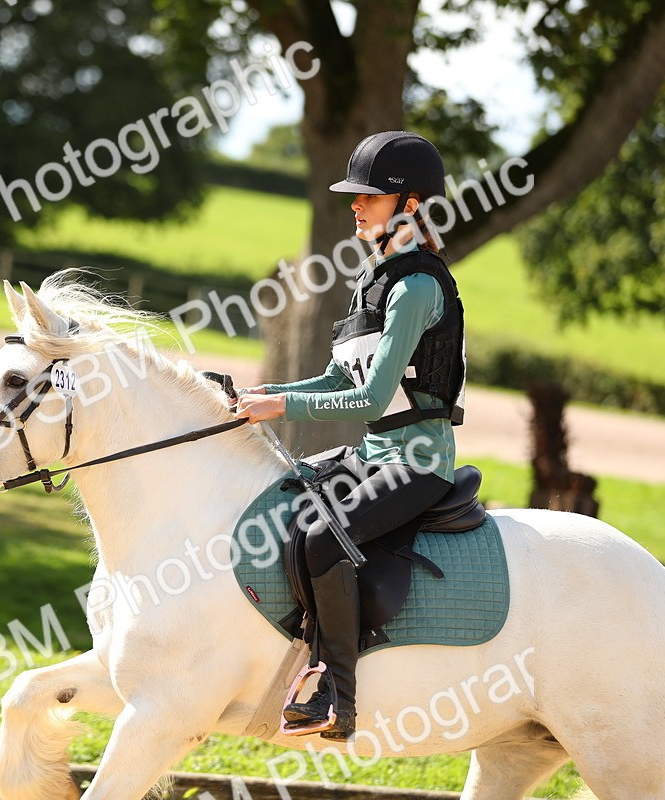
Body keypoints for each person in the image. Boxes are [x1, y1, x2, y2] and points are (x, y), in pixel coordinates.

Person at [234, 131, 466, 739]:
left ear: (410, 204)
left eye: (370, 196)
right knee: (289, 506)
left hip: (418, 464)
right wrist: (266, 397)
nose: (356, 206)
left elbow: (364, 399)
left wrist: (279, 410)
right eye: (354, 195)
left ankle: (339, 695)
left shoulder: (417, 287)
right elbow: (340, 374)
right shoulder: (375, 281)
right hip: (374, 455)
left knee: (323, 539)